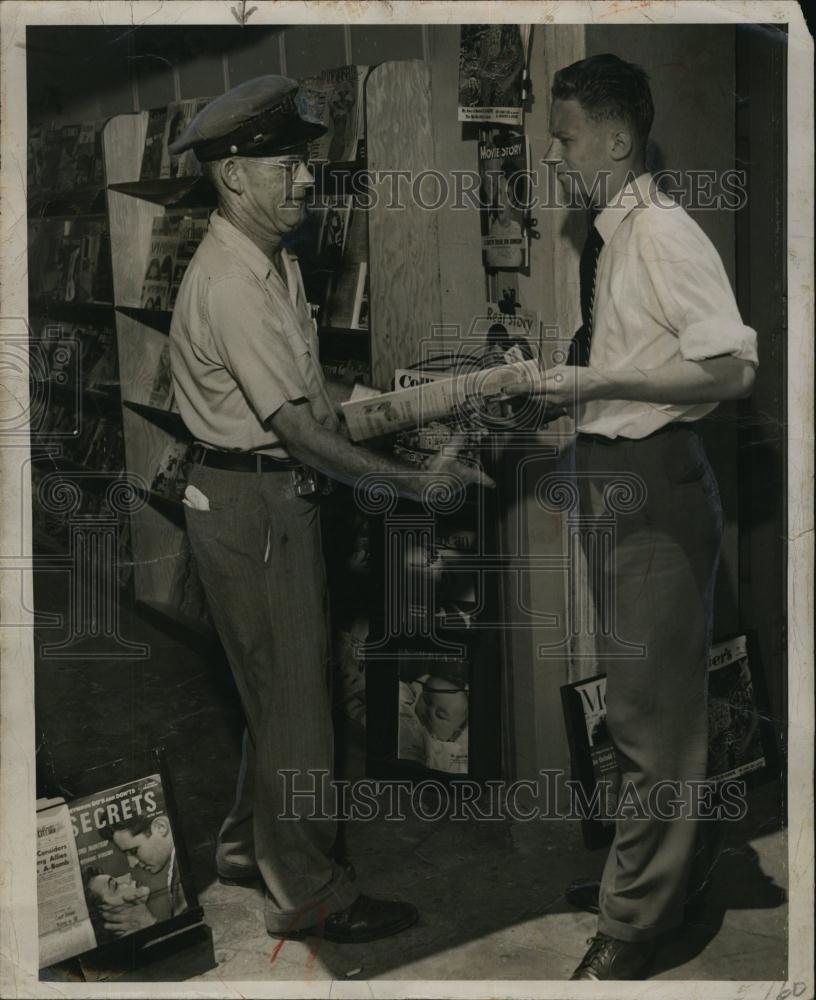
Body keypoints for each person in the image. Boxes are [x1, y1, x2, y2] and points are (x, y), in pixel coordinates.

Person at [166, 75, 492, 944]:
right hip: (257, 501)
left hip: (260, 494)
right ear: (234, 175)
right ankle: (310, 893)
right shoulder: (232, 281)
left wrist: (406, 407)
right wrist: (416, 485)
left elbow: (316, 394)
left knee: (272, 695)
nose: (310, 180)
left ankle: (247, 846)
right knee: (300, 710)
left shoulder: (268, 259)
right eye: (289, 165)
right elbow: (302, 436)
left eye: (308, 162)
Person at [508, 54, 758, 979]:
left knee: (652, 723)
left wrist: (602, 381)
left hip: (653, 485)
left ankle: (637, 924)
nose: (557, 156)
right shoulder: (615, 235)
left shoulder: (662, 233)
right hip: (616, 476)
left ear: (616, 139)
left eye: (566, 139)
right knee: (634, 709)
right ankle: (653, 877)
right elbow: (626, 361)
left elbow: (733, 370)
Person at [97, 813, 187, 933]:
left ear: (160, 827)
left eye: (134, 850)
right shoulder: (176, 868)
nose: (132, 864)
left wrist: (150, 923)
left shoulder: (188, 860)